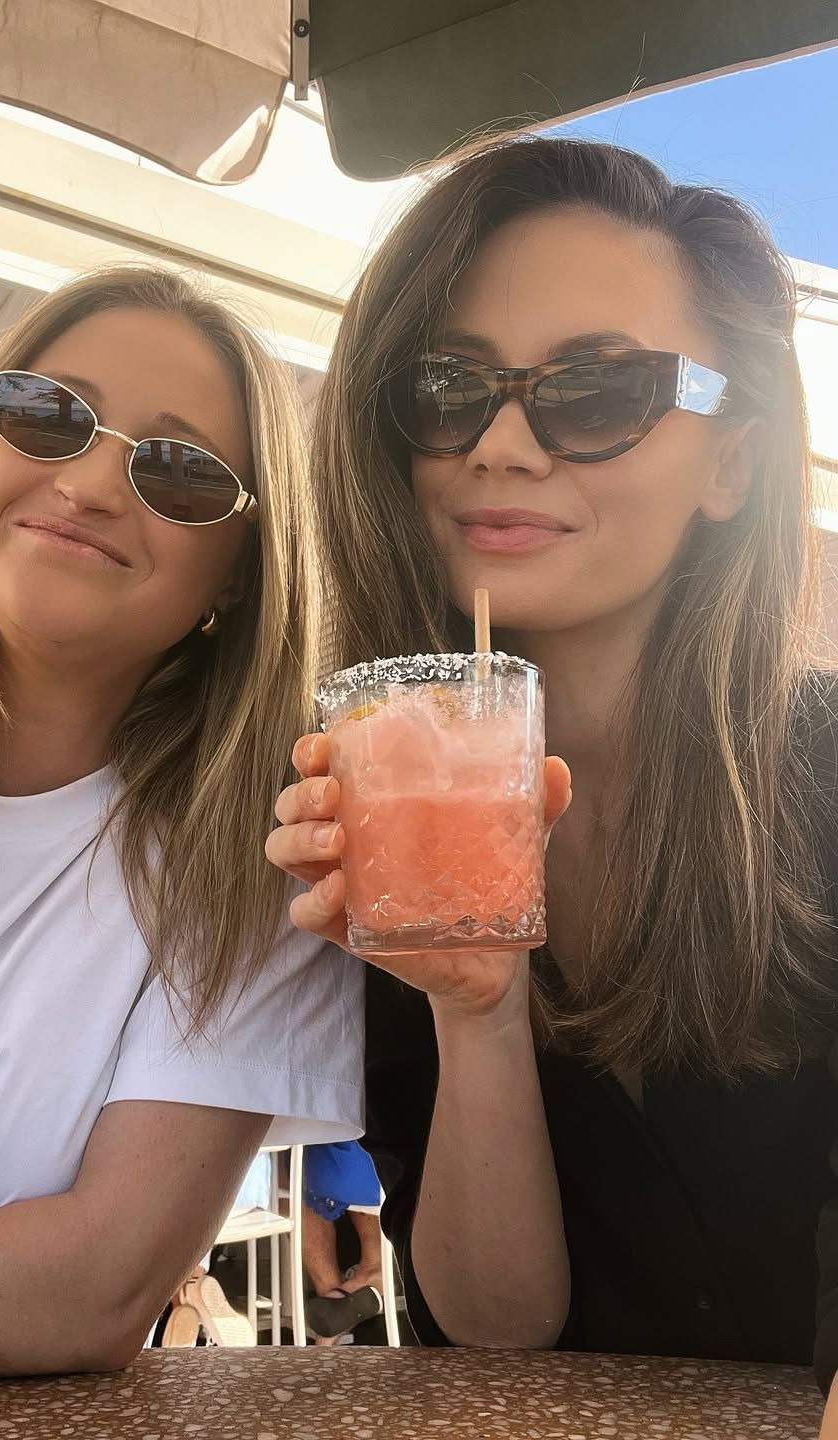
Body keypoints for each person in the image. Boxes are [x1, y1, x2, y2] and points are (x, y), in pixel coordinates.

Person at [265, 133, 838, 1415]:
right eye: (449, 387)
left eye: (595, 390)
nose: (504, 445)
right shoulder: (375, 816)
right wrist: (477, 1014)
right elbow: (499, 1334)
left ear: (732, 463)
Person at [0, 265, 363, 1383]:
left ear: (239, 574)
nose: (86, 484)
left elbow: (92, 1288)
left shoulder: (264, 868)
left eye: (178, 469)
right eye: (47, 414)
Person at [302, 1140, 385, 1344]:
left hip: (322, 1170)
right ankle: (370, 1272)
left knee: (291, 1170)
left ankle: (329, 1296)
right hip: (367, 1170)